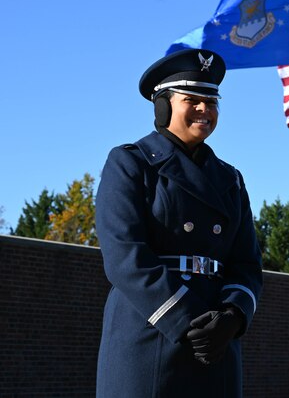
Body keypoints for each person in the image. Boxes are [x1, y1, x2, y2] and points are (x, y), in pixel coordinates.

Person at [95, 48, 263, 397]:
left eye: (212, 101)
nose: (205, 109)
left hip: (217, 339)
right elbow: (126, 259)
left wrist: (232, 317)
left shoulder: (230, 179)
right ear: (163, 105)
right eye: (193, 99)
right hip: (151, 333)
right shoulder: (131, 164)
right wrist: (187, 322)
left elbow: (247, 263)